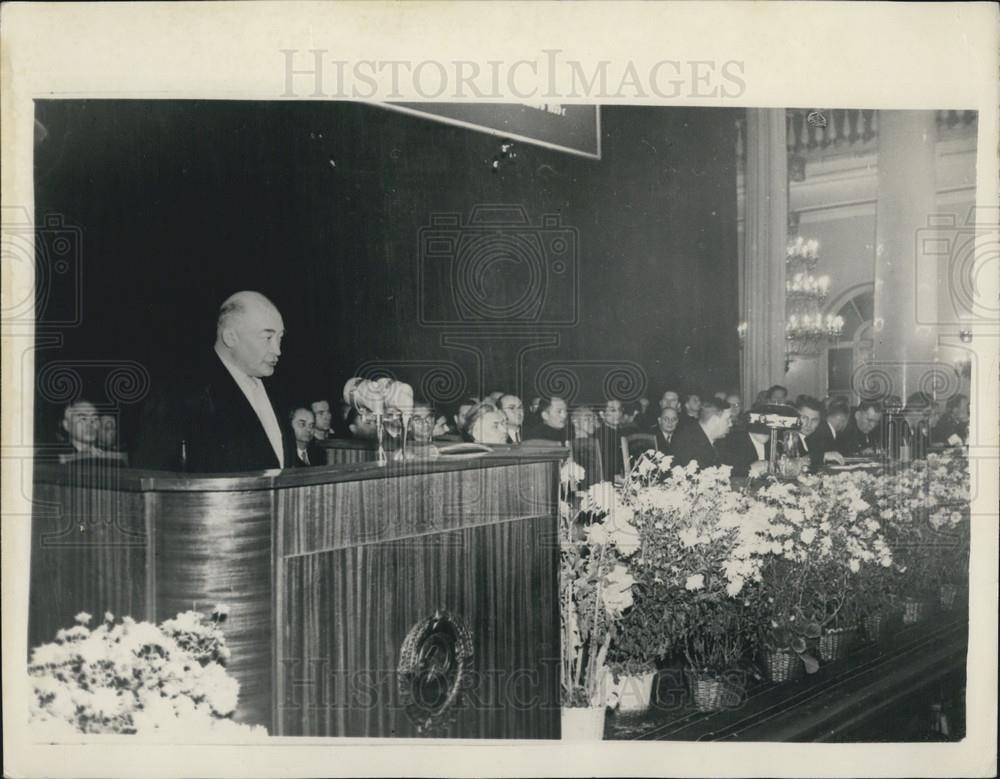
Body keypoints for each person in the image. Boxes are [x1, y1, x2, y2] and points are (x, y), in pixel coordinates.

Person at [182, 291, 293, 472]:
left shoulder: (278, 389)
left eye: (280, 338)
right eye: (268, 338)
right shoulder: (188, 394)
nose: (278, 350)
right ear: (230, 337)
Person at [669, 397, 733, 469]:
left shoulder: (717, 441)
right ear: (714, 421)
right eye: (727, 419)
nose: (731, 424)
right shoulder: (688, 443)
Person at [719, 409, 771, 478]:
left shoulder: (774, 443)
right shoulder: (733, 442)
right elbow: (725, 471)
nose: (764, 429)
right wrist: (750, 469)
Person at [595, 399, 636, 481]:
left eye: (620, 409)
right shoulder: (598, 436)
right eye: (613, 410)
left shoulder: (626, 433)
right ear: (602, 414)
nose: (618, 414)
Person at [798, 396, 844, 469]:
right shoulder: (787, 437)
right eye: (804, 418)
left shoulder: (813, 439)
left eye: (814, 420)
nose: (809, 424)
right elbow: (791, 464)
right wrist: (823, 456)